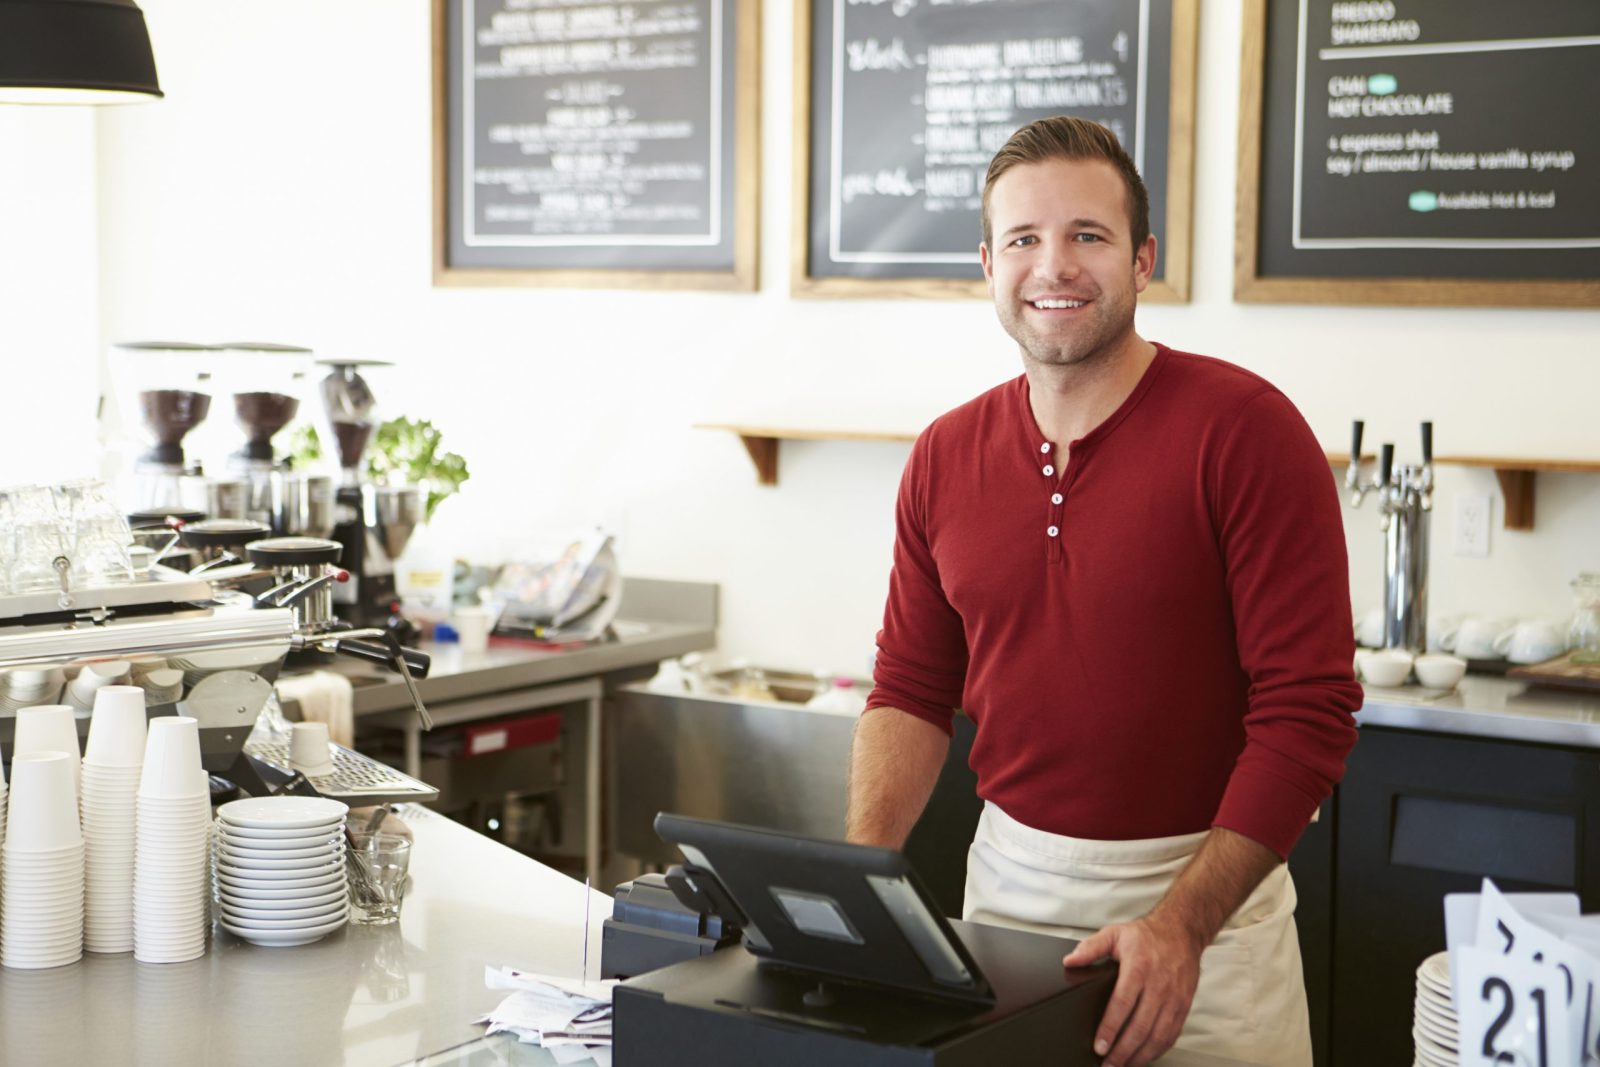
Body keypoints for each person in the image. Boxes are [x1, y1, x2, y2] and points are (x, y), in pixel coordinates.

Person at [846, 115, 1362, 1067]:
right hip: (1005, 907)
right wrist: (859, 877)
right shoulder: (945, 455)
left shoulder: (1247, 432)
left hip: (1209, 923)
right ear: (987, 264)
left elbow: (1309, 711)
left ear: (1143, 259)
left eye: (1089, 235)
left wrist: (1180, 926)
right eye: (1024, 240)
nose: (1056, 266)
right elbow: (912, 689)